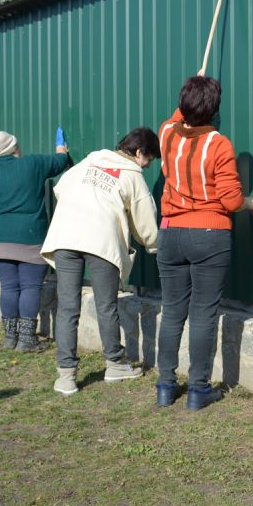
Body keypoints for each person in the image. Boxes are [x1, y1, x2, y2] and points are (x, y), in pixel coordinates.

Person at [155, 76, 253, 411]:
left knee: (172, 312)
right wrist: (250, 204)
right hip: (209, 235)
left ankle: (165, 386)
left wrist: (190, 94)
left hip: (170, 234)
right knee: (202, 313)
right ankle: (198, 390)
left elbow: (176, 116)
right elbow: (230, 201)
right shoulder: (219, 144)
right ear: (214, 110)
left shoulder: (166, 134)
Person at [41, 128, 161, 396]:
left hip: (66, 235)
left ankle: (66, 376)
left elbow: (61, 187)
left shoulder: (90, 161)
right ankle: (115, 364)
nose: (148, 165)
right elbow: (146, 223)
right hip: (100, 240)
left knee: (67, 307)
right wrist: (154, 245)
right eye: (149, 159)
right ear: (139, 152)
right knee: (106, 305)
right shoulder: (132, 176)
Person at [0, 128, 69, 353]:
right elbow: (60, 162)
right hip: (30, 238)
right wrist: (60, 146)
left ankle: (10, 337)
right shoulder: (32, 164)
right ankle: (26, 340)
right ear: (14, 147)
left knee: (8, 287)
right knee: (30, 287)